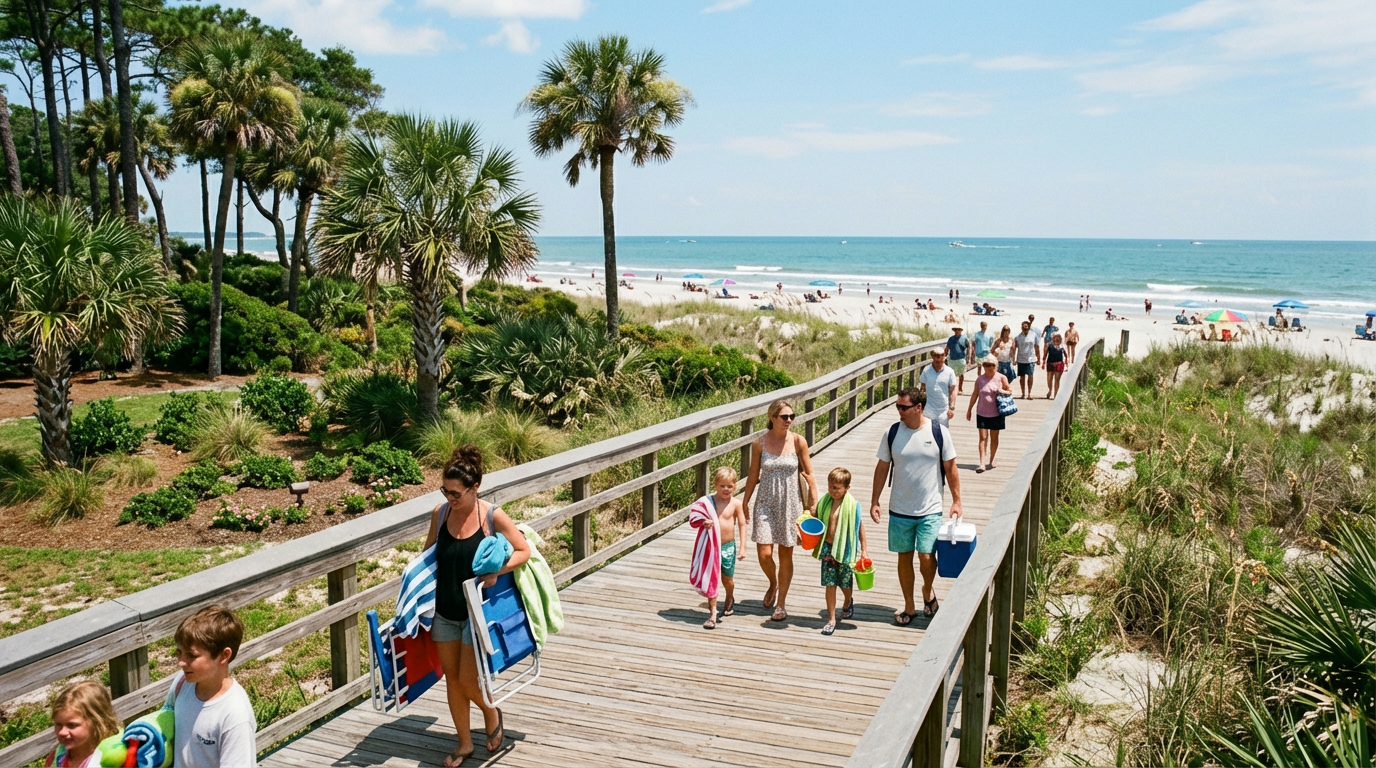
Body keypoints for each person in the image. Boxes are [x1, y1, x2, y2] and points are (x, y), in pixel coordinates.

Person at [425, 446, 532, 766]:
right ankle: (464, 744)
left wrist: (495, 571)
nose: (449, 498)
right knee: (452, 680)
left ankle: (492, 713)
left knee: (469, 681)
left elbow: (522, 550)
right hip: (445, 610)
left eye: (456, 493)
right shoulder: (440, 513)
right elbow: (428, 556)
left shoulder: (491, 516)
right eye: (445, 490)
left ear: (475, 488)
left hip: (476, 613)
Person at [871, 386, 961, 624]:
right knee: (904, 557)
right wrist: (874, 500)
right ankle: (909, 606)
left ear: (918, 407)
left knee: (926, 556)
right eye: (897, 406)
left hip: (930, 507)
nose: (899, 411)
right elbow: (882, 468)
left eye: (904, 407)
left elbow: (951, 468)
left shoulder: (938, 432)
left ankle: (927, 590)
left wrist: (957, 501)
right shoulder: (892, 433)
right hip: (900, 508)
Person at [743, 400, 819, 623]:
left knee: (786, 553)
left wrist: (813, 502)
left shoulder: (798, 441)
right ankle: (773, 582)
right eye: (784, 417)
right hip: (765, 501)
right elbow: (753, 474)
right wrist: (745, 502)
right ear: (773, 418)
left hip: (790, 502)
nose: (789, 421)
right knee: (764, 553)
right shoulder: (759, 444)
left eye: (791, 417)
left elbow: (809, 473)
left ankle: (781, 603)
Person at [171, 605, 257, 767]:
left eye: (191, 655)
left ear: (223, 656)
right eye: (179, 653)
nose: (181, 662)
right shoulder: (182, 683)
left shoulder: (235, 715)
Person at [811, 467, 867, 636]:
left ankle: (848, 600)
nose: (833, 491)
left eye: (836, 488)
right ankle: (831, 619)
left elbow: (859, 529)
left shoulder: (853, 506)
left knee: (844, 582)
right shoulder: (824, 502)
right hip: (827, 548)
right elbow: (816, 524)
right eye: (830, 487)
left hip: (845, 549)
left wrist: (864, 550)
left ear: (846, 488)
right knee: (830, 583)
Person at [698, 466, 746, 628]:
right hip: (712, 547)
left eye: (730, 486)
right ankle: (712, 613)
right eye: (722, 486)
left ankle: (730, 596)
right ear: (715, 485)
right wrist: (703, 523)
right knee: (712, 579)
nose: (726, 489)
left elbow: (742, 524)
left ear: (735, 486)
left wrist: (742, 547)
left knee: (727, 579)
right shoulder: (708, 502)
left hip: (728, 547)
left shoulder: (736, 504)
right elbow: (696, 517)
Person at [45, 681, 119, 768]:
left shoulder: (112, 760)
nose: (62, 732)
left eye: (72, 725)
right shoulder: (59, 755)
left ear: (97, 722)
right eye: (58, 724)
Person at [966, 357, 1012, 473]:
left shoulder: (1001, 378)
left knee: (994, 438)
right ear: (983, 366)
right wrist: (969, 409)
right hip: (981, 412)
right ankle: (982, 463)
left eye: (991, 365)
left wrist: (1003, 391)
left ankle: (991, 460)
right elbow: (975, 394)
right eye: (986, 365)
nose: (989, 367)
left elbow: (1010, 391)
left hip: (997, 413)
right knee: (983, 438)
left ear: (996, 366)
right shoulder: (980, 380)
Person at [919, 348, 958, 428]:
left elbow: (953, 390)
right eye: (936, 356)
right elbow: (922, 389)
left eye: (941, 356)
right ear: (932, 356)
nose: (939, 358)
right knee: (927, 433)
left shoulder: (950, 372)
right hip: (928, 409)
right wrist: (920, 406)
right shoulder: (926, 370)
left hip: (943, 410)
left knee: (942, 435)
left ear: (944, 356)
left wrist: (952, 407)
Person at [1014, 321, 1042, 400]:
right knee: (1022, 378)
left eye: (1026, 327)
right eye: (1023, 327)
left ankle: (1029, 393)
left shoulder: (1033, 335)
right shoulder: (1018, 337)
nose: (1024, 329)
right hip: (1021, 359)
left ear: (1029, 328)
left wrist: (1038, 358)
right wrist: (1013, 359)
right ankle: (1023, 393)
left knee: (1030, 376)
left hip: (1031, 359)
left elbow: (1037, 347)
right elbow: (1014, 348)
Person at [945, 327, 972, 393]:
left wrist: (969, 359)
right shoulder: (951, 339)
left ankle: (960, 388)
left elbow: (969, 348)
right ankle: (952, 387)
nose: (957, 331)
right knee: (952, 374)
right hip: (952, 359)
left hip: (961, 359)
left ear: (961, 331)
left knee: (961, 374)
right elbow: (947, 348)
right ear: (954, 331)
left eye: (959, 330)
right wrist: (944, 356)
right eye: (956, 330)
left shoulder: (964, 338)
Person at [1044, 332, 1068, 399]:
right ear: (1053, 338)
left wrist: (1067, 362)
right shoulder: (1049, 345)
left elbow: (1066, 355)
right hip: (1050, 363)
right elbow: (1045, 354)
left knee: (1057, 380)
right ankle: (1050, 390)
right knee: (1049, 379)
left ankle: (1056, 395)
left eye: (1058, 337)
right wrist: (1043, 361)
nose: (1057, 339)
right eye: (1055, 337)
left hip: (1059, 364)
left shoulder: (1063, 346)